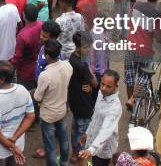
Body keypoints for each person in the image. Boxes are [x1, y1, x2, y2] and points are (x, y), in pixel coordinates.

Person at [0, 61, 36, 166]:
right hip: (18, 144)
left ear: (1, 80)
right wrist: (15, 138)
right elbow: (30, 116)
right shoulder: (22, 89)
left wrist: (13, 148)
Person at [34, 40, 73, 166]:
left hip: (48, 115)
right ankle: (64, 162)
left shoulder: (45, 75)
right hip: (62, 110)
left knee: (50, 145)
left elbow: (38, 97)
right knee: (64, 139)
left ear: (47, 56)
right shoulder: (68, 66)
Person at [78, 69, 122, 166]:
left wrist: (92, 148)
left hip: (104, 151)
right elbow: (95, 116)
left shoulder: (115, 108)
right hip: (93, 143)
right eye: (102, 84)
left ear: (116, 87)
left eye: (108, 86)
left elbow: (105, 131)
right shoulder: (101, 93)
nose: (104, 88)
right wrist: (87, 133)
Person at [69, 32, 98, 166]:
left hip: (74, 102)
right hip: (84, 104)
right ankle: (81, 160)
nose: (89, 49)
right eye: (87, 47)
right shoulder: (82, 65)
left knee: (75, 130)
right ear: (79, 47)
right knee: (83, 135)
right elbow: (95, 83)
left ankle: (74, 154)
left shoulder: (72, 58)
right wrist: (91, 85)